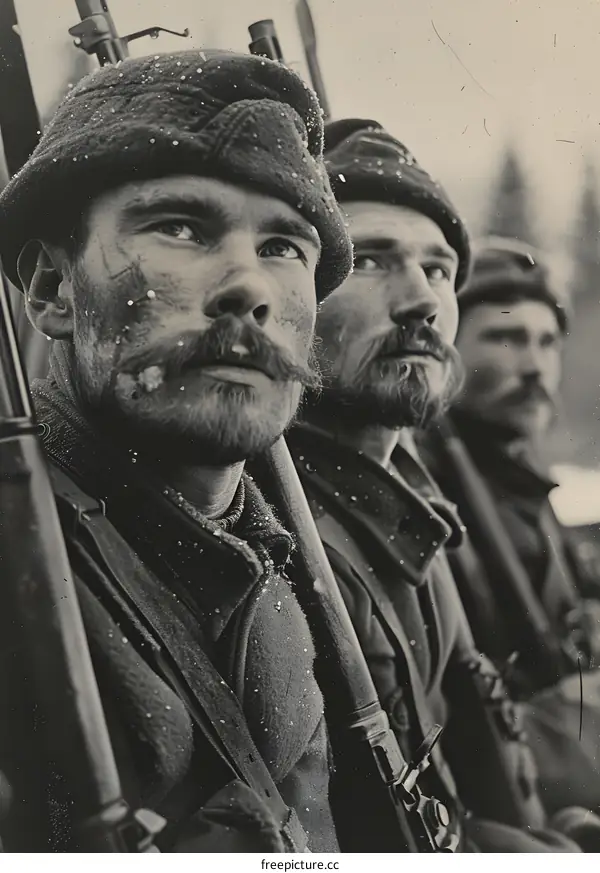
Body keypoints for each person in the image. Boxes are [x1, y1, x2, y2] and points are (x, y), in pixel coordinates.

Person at [0, 50, 353, 852]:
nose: (249, 287)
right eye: (181, 226)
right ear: (52, 290)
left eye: (284, 247)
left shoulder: (275, 559)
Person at [287, 118, 592, 851]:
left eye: (438, 269)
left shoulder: (413, 506)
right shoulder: (283, 524)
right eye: (370, 261)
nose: (421, 300)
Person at [418, 238, 600, 813]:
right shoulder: (428, 494)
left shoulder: (522, 484)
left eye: (547, 341)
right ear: (447, 347)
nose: (534, 365)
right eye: (505, 336)